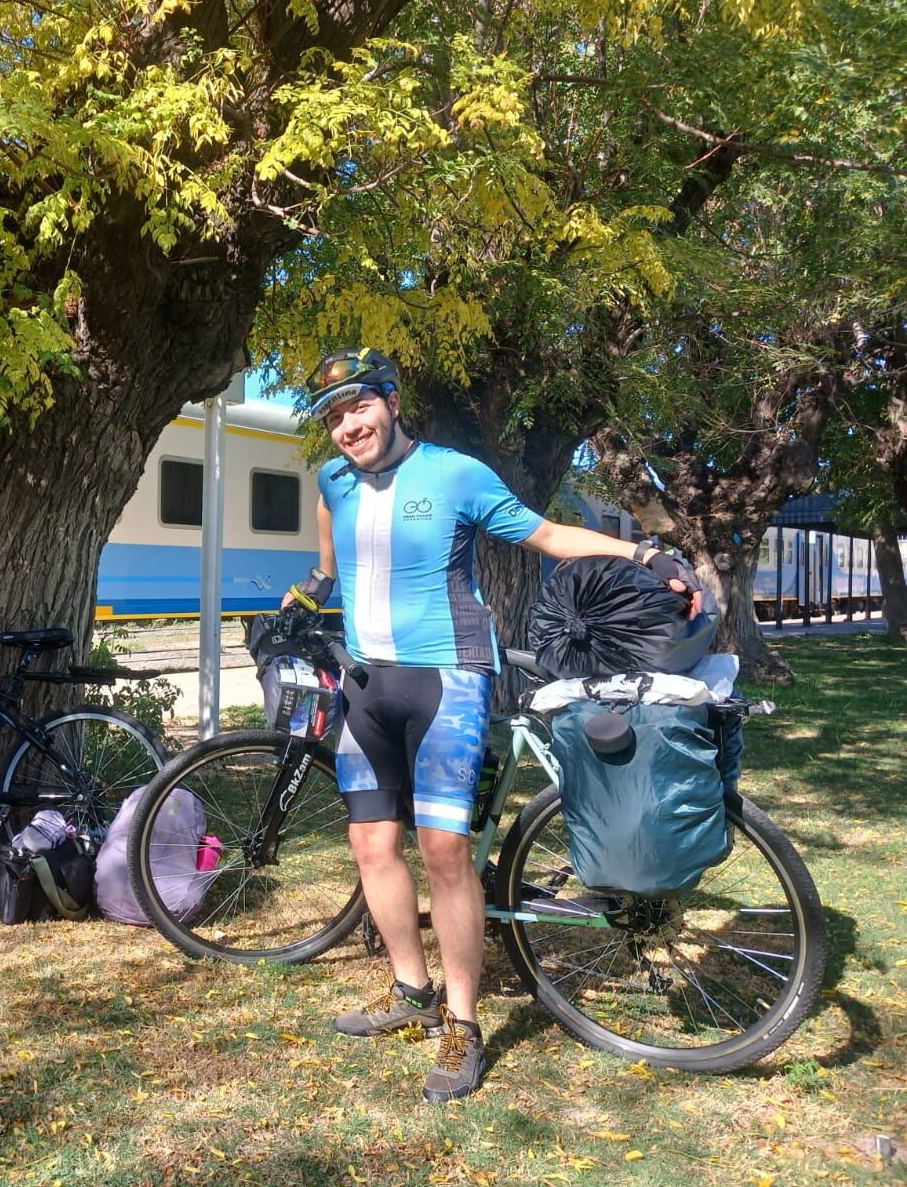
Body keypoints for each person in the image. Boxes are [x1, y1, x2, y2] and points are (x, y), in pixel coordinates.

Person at [288, 348, 701, 1102]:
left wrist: (643, 551)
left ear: (391, 400)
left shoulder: (454, 474)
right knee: (370, 843)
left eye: (361, 407)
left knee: (445, 853)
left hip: (447, 677)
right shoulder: (333, 480)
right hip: (365, 683)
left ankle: (462, 1020)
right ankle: (410, 990)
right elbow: (328, 537)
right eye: (336, 416)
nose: (350, 426)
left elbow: (545, 536)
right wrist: (314, 585)